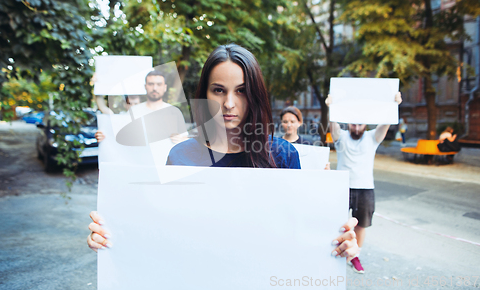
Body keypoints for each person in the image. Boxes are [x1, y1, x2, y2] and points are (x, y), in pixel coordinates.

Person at [88, 44, 360, 264]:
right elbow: (162, 230)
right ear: (204, 94)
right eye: (219, 90)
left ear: (255, 95)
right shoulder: (180, 156)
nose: (229, 103)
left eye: (241, 91)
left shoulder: (283, 155)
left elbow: (298, 231)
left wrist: (335, 239)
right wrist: (112, 236)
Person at [326, 92, 402, 274]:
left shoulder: (372, 138)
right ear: (349, 124)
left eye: (360, 123)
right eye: (353, 123)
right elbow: (333, 124)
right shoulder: (341, 137)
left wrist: (394, 105)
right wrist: (331, 106)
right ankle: (335, 252)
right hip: (342, 187)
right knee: (337, 222)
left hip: (365, 189)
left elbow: (386, 123)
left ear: (365, 125)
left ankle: (354, 256)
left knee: (361, 225)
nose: (357, 126)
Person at [94, 70, 188, 144]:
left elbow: (185, 139)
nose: (155, 88)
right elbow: (120, 136)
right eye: (151, 84)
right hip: (139, 164)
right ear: (145, 86)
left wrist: (181, 140)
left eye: (159, 84)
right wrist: (104, 137)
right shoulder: (134, 111)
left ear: (165, 87)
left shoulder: (174, 112)